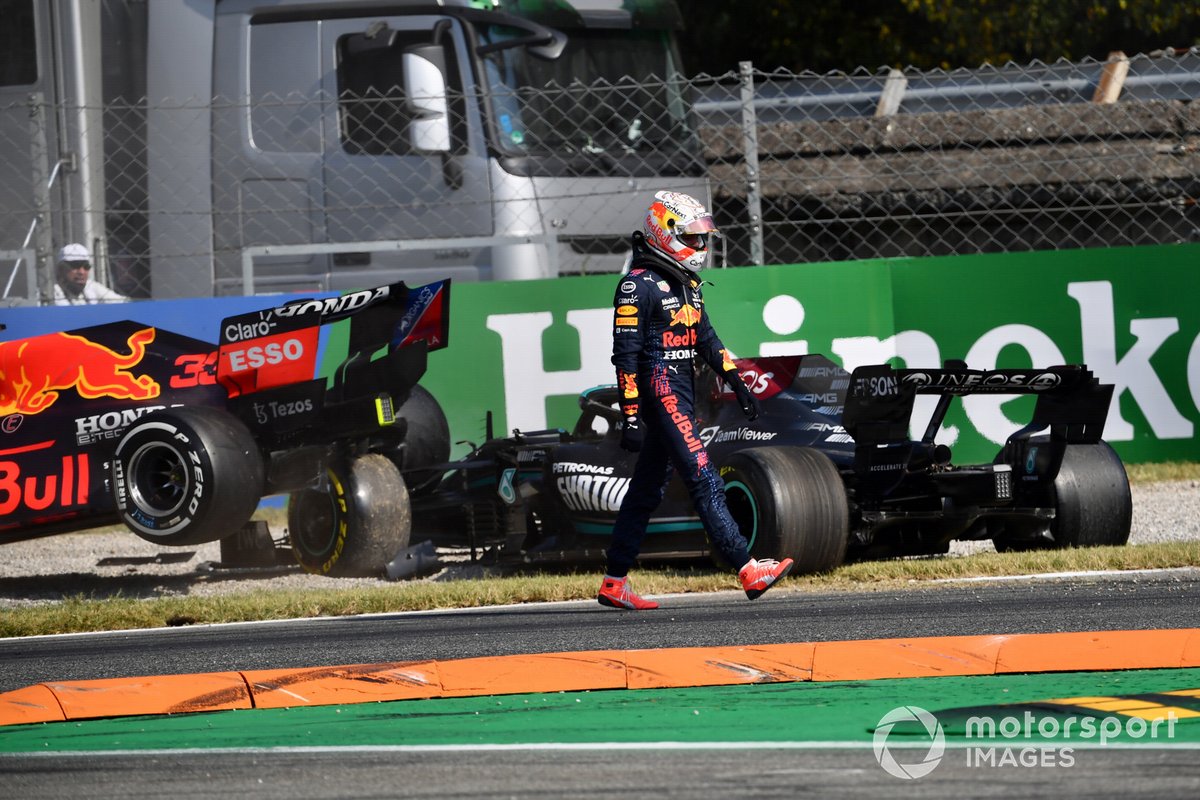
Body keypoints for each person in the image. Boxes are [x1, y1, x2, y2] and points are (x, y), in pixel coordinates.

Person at [598, 191, 794, 611]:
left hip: (681, 395)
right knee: (705, 478)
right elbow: (626, 357)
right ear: (663, 234)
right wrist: (630, 416)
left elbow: (706, 339)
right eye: (693, 238)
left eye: (704, 238)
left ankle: (615, 581)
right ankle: (748, 568)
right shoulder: (637, 287)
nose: (701, 247)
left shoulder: (686, 285)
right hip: (661, 392)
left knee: (646, 491)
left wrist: (736, 382)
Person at [53, 243, 127, 305]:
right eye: (75, 265)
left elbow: (123, 302)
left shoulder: (90, 286)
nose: (82, 272)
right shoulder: (51, 293)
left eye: (86, 266)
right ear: (61, 269)